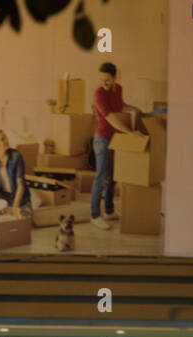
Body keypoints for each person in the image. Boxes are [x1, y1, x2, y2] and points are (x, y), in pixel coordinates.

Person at [89, 61, 125, 231]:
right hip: (102, 140)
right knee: (101, 177)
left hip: (115, 138)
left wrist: (135, 109)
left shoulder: (119, 89)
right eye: (102, 79)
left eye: (108, 80)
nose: (104, 83)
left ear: (114, 77)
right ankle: (95, 215)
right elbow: (111, 117)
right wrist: (130, 133)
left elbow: (120, 108)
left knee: (112, 177)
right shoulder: (98, 94)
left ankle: (109, 211)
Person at [0, 129, 32, 220]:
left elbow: (21, 185)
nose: (7, 141)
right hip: (2, 196)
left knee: (22, 221)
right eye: (3, 139)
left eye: (5, 137)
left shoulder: (16, 156)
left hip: (19, 198)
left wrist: (14, 207)